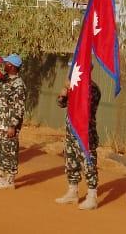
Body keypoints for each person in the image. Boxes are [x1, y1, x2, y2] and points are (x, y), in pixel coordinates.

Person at [55, 76, 102, 210]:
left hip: (85, 134)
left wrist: (73, 89)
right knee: (71, 161)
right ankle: (72, 192)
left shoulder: (92, 88)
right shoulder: (74, 85)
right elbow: (61, 104)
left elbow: (85, 107)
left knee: (88, 163)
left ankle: (92, 196)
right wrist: (63, 94)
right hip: (71, 132)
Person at [0, 54, 26, 190]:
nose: (4, 65)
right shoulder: (4, 79)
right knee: (0, 148)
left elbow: (19, 107)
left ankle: (10, 180)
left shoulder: (18, 85)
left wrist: (13, 125)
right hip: (1, 122)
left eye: (6, 63)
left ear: (12, 66)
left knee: (10, 150)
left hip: (10, 123)